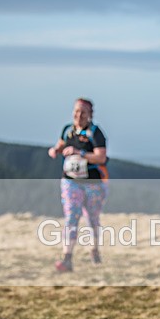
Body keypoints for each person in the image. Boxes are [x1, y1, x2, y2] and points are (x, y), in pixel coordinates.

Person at [47, 97, 109, 272]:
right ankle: (67, 258)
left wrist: (80, 153)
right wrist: (55, 150)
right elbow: (61, 145)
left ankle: (94, 250)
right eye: (76, 111)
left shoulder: (95, 133)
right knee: (71, 218)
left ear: (90, 115)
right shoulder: (68, 130)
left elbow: (101, 157)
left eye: (83, 112)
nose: (79, 115)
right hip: (70, 181)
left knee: (92, 219)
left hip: (92, 183)